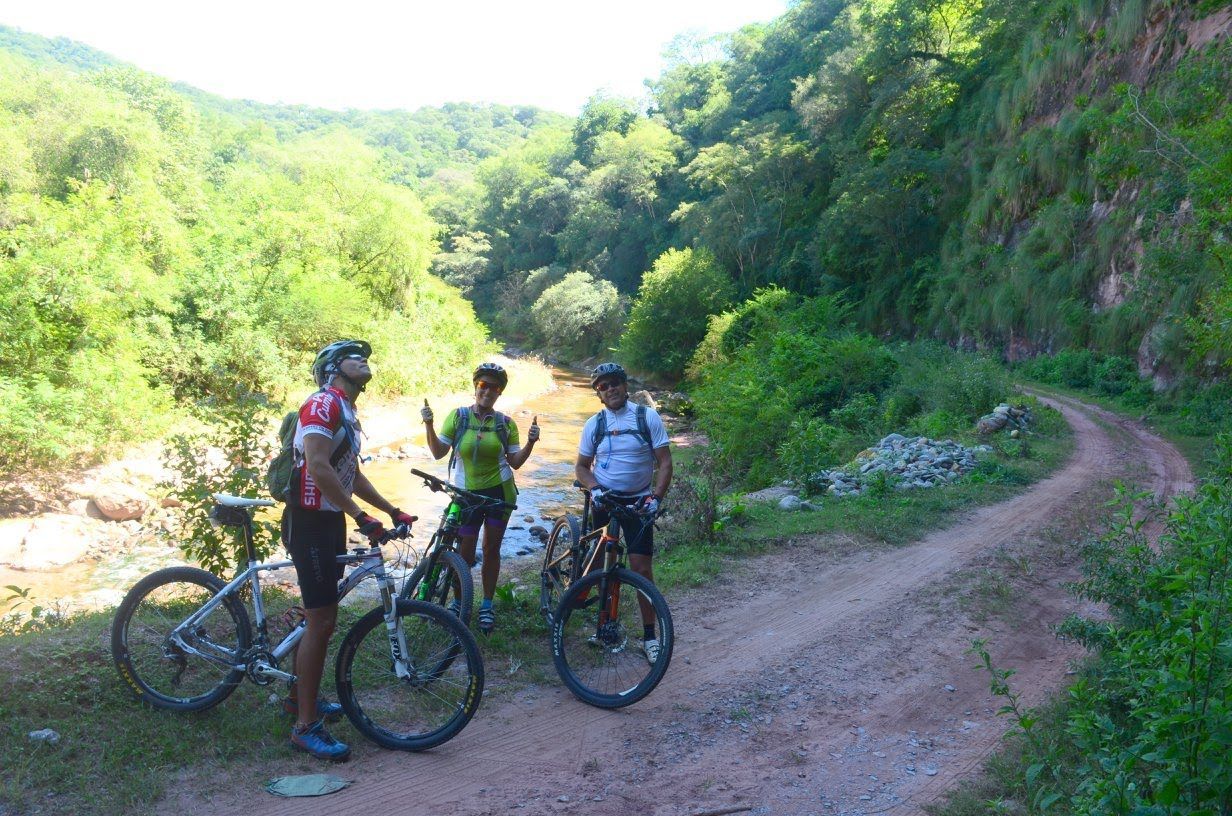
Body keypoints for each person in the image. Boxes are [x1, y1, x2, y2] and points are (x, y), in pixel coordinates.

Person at [282, 339, 417, 761]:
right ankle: (305, 726)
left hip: (328, 520)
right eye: (355, 357)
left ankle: (297, 696)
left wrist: (392, 509)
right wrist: (361, 517)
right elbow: (319, 467)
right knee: (321, 620)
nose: (364, 361)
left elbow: (349, 474)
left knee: (320, 615)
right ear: (333, 368)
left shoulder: (346, 411)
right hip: (309, 521)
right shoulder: (321, 404)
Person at [421, 362, 539, 634]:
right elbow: (439, 452)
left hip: (499, 492)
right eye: (483, 385)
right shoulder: (459, 416)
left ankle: (486, 604)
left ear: (500, 393)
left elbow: (516, 462)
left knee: (491, 550)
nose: (487, 391)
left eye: (494, 388)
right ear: (476, 387)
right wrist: (428, 424)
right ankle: (460, 602)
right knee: (463, 553)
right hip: (466, 495)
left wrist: (531, 443)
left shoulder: (505, 424)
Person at [574, 362, 672, 664]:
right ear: (598, 394)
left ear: (625, 386)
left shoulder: (647, 417)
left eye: (614, 382)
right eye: (603, 386)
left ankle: (650, 637)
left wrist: (655, 498)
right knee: (602, 567)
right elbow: (580, 467)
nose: (610, 389)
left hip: (639, 503)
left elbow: (665, 463)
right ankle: (603, 626)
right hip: (604, 502)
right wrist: (594, 488)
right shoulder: (595, 424)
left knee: (642, 571)